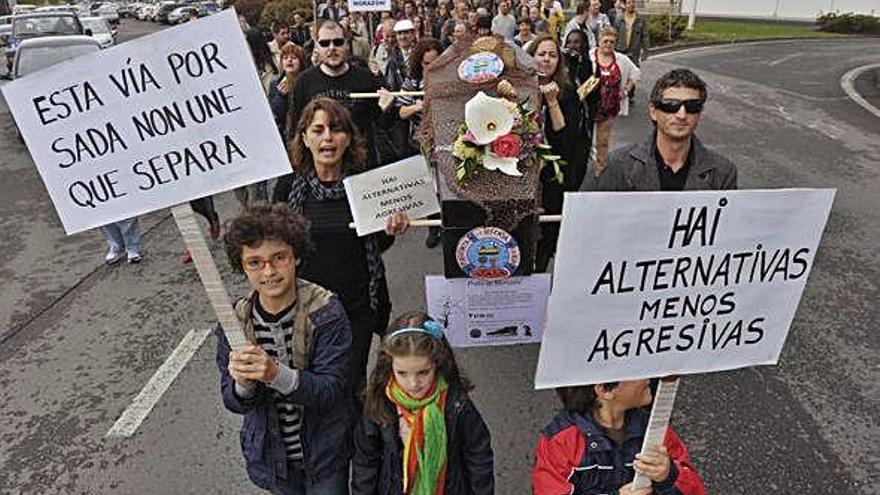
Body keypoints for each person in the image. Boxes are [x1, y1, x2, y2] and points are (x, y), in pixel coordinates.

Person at [215, 204, 352, 494]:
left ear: (296, 257)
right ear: (241, 266)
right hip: (272, 458)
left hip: (325, 455)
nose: (269, 271)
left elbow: (332, 390)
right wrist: (243, 384)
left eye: (279, 258)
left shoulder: (326, 312)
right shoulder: (236, 321)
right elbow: (233, 400)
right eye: (255, 262)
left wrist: (275, 373)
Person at [287, 98, 409, 415]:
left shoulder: (366, 188)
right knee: (313, 388)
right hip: (305, 311)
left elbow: (377, 246)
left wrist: (391, 228)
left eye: (337, 129)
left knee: (349, 387)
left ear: (349, 138)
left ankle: (356, 452)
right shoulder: (289, 189)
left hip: (356, 308)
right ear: (304, 137)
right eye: (318, 129)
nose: (328, 137)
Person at [351, 312, 495, 494]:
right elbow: (365, 461)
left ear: (438, 363)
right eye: (402, 373)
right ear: (389, 367)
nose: (413, 384)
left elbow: (478, 456)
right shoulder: (380, 403)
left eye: (423, 372)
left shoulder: (456, 404)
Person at [532, 382, 707, 494]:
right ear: (605, 389)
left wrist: (668, 476)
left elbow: (696, 490)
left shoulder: (656, 431)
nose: (648, 375)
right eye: (636, 370)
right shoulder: (561, 443)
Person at [598, 68, 738, 191]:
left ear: (700, 113)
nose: (681, 115)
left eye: (692, 106)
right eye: (671, 105)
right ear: (653, 111)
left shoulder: (723, 172)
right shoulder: (618, 165)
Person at [291, 19, 395, 170]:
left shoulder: (366, 78)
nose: (332, 48)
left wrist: (386, 108)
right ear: (317, 47)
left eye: (338, 42)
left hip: (361, 167)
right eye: (325, 43)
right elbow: (296, 128)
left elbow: (385, 125)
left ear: (347, 44)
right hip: (321, 170)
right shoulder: (304, 82)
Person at [528, 33, 588, 272]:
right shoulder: (517, 88)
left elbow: (565, 140)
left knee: (547, 232)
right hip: (523, 175)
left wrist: (552, 101)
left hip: (554, 174)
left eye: (552, 55)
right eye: (541, 54)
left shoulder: (568, 91)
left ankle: (540, 271)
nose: (546, 60)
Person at [395, 37, 443, 248]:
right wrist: (417, 107)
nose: (431, 68)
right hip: (422, 142)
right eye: (426, 64)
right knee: (429, 186)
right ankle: (433, 227)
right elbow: (402, 111)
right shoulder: (412, 81)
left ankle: (450, 225)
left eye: (436, 62)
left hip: (448, 140)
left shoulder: (452, 80)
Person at [590, 26, 639, 179]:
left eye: (612, 41)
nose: (608, 44)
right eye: (605, 41)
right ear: (599, 41)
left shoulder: (621, 59)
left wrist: (625, 91)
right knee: (584, 139)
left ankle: (600, 167)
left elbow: (635, 73)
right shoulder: (590, 56)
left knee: (603, 141)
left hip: (609, 108)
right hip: (589, 107)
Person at [614, 0, 648, 103]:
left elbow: (645, 35)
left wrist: (646, 50)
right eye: (629, 2)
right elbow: (615, 35)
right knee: (619, 73)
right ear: (625, 4)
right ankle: (617, 94)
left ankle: (630, 94)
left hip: (634, 51)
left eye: (633, 2)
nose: (631, 4)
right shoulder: (619, 18)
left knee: (633, 73)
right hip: (621, 50)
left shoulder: (640, 19)